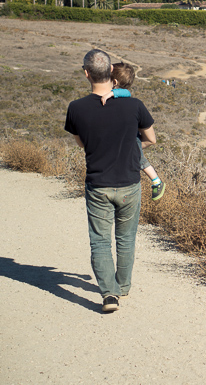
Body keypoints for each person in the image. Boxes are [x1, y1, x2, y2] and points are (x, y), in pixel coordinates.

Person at [65, 49, 156, 313]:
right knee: (126, 239)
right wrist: (128, 146)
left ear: (86, 73)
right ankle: (123, 286)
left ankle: (109, 295)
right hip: (129, 182)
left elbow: (83, 143)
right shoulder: (135, 105)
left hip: (98, 184)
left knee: (100, 241)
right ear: (111, 75)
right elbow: (151, 139)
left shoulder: (76, 108)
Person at [100, 62, 165, 201]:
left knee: (141, 161)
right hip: (130, 141)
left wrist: (112, 92)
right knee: (140, 160)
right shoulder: (133, 103)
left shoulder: (121, 95)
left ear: (115, 82)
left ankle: (157, 182)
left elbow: (125, 92)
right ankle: (156, 181)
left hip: (132, 141)